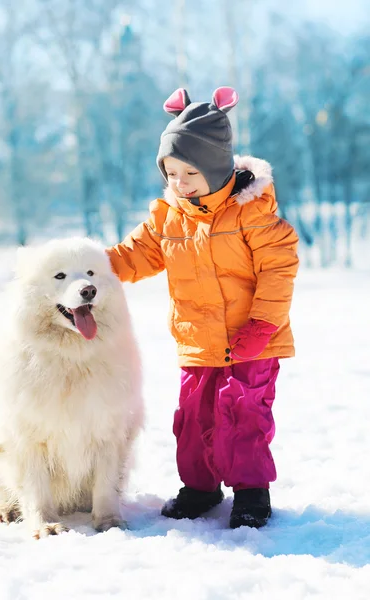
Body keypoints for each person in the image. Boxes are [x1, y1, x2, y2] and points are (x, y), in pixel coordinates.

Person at [106, 86, 299, 528]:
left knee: (244, 416)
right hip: (198, 341)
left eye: (189, 172)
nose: (179, 183)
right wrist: (91, 268)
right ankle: (200, 488)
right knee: (193, 420)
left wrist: (263, 323)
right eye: (171, 173)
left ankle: (251, 493)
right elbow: (133, 256)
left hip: (253, 341)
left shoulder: (251, 212)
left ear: (215, 167)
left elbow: (279, 266)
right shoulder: (167, 217)